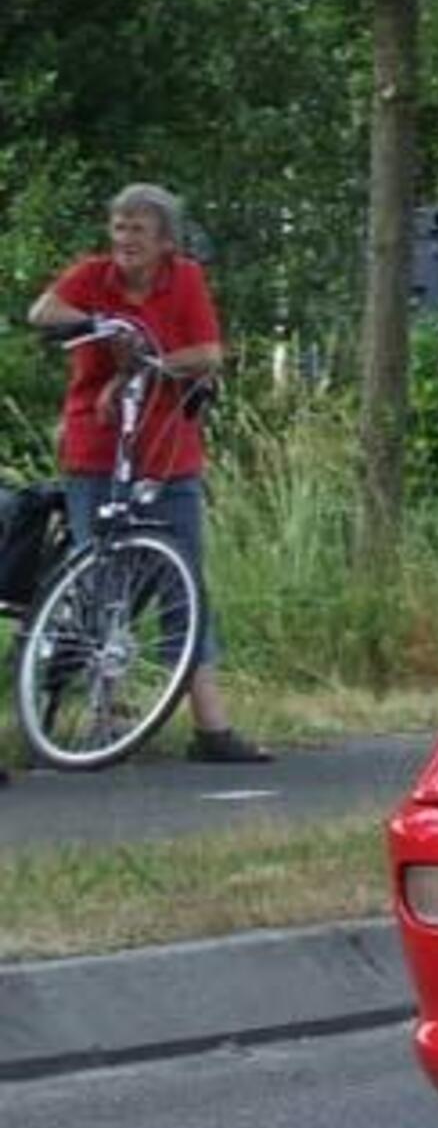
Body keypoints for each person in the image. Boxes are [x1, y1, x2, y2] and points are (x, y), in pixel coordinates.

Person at [26, 184, 270, 763]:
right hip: (97, 446)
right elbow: (42, 313)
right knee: (99, 581)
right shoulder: (93, 276)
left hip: (165, 449)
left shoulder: (183, 279)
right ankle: (100, 712)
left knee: (181, 581)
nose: (125, 239)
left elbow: (208, 352)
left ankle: (211, 727)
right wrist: (104, 323)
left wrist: (148, 363)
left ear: (165, 239)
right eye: (118, 227)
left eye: (138, 229)